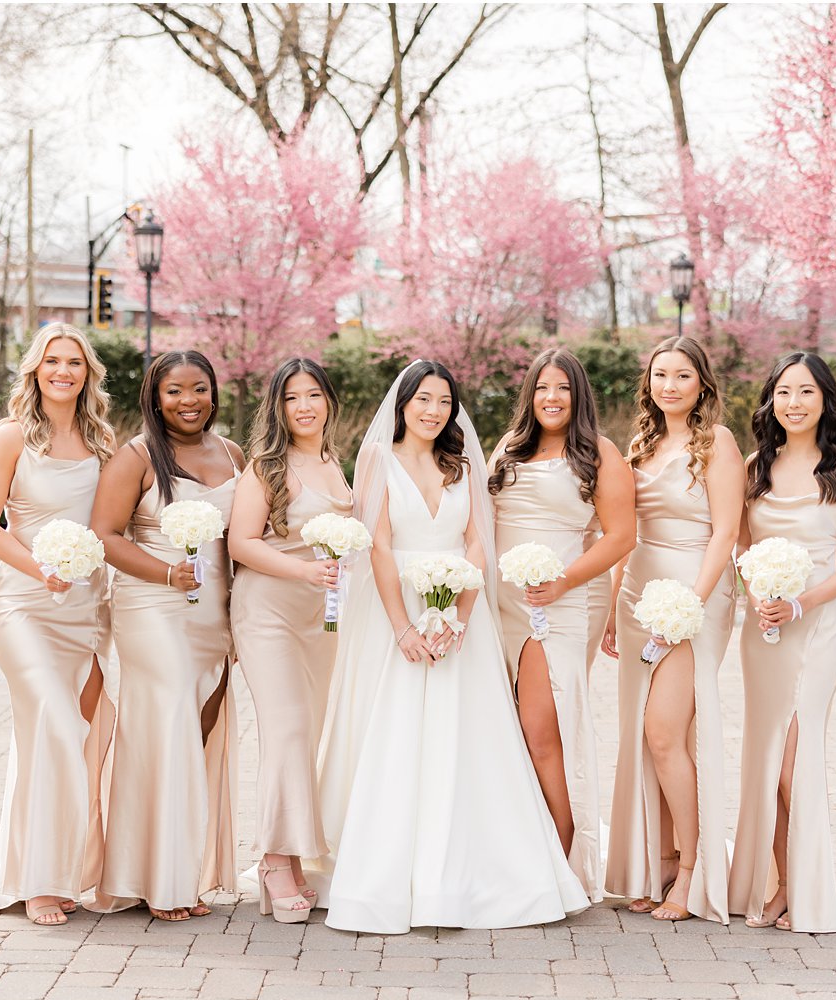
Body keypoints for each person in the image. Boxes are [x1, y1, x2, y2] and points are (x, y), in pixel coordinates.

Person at [313, 360, 590, 934]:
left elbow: (478, 543)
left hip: (461, 618)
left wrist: (459, 618)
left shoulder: (461, 464)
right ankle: (396, 875)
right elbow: (380, 548)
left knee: (469, 739)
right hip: (400, 612)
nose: (433, 410)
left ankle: (479, 874)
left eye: (443, 401)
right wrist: (405, 629)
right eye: (423, 399)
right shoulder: (378, 460)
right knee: (400, 737)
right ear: (403, 403)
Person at [0, 323, 118, 926]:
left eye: (74, 362)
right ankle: (40, 883)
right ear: (35, 369)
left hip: (88, 613)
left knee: (80, 741)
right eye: (53, 360)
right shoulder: (10, 438)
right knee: (54, 723)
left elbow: (113, 524)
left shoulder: (103, 440)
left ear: (87, 373)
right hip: (25, 607)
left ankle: (69, 870)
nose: (63, 371)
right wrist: (41, 568)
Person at [88, 350, 243, 922]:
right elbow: (103, 534)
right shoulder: (136, 456)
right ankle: (161, 883)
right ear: (155, 396)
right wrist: (165, 572)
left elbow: (243, 537)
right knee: (167, 727)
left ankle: (170, 869)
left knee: (193, 734)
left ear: (213, 391)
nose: (188, 401)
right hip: (154, 606)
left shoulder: (232, 453)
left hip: (214, 614)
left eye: (198, 388)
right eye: (174, 391)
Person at [728, 351, 836, 934]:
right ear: (771, 399)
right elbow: (738, 545)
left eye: (807, 392)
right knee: (766, 760)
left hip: (817, 628)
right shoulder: (752, 466)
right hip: (763, 629)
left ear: (825, 401)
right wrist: (759, 588)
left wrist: (801, 601)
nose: (794, 402)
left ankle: (796, 887)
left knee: (794, 761)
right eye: (784, 391)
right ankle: (777, 883)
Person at [603, 336, 741, 923]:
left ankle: (692, 869)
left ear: (701, 385)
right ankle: (657, 862)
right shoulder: (641, 444)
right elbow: (623, 532)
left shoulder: (720, 444)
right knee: (648, 737)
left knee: (665, 733)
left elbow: (726, 532)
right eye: (660, 375)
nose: (669, 385)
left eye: (682, 376)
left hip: (695, 591)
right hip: (639, 590)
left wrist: (693, 603)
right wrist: (613, 606)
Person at [488, 349, 635, 902]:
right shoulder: (508, 447)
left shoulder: (599, 454)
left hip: (559, 604)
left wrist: (564, 582)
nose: (552, 398)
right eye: (542, 388)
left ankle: (564, 864)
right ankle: (527, 854)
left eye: (564, 389)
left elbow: (622, 537)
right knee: (514, 736)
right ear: (530, 394)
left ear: (580, 396)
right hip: (500, 608)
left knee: (548, 735)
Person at [228, 359, 352, 923]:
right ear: (277, 408)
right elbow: (241, 543)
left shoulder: (334, 463)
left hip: (322, 617)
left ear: (329, 401)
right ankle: (274, 861)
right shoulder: (266, 466)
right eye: (291, 398)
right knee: (287, 730)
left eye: (313, 396)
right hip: (270, 610)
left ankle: (297, 856)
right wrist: (301, 572)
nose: (304, 407)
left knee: (313, 734)